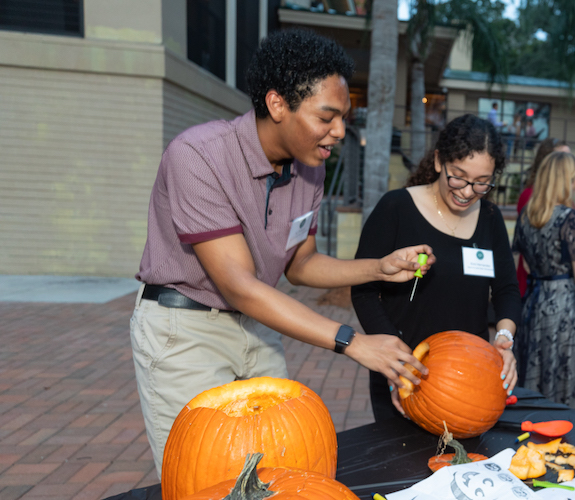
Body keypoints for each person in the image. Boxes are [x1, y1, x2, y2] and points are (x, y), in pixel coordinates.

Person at [131, 30, 433, 476]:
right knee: (204, 477)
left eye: (344, 117)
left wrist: (378, 268)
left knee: (282, 468)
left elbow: (301, 263)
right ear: (277, 104)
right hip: (185, 332)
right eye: (327, 116)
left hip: (255, 327)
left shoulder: (309, 166)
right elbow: (239, 285)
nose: (340, 131)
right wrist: (352, 342)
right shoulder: (197, 155)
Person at [351, 114, 520, 421]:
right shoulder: (396, 208)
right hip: (406, 373)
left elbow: (507, 288)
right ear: (440, 161)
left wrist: (504, 338)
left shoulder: (491, 218)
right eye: (459, 176)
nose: (468, 191)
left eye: (482, 183)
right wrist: (395, 358)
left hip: (472, 376)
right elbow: (363, 292)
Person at [512, 151, 575, 412]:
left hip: (534, 301)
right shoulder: (568, 218)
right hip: (562, 303)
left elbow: (524, 264)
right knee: (567, 370)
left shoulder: (526, 216)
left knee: (534, 366)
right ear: (567, 181)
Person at [515, 137, 571, 296]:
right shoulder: (530, 196)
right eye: (561, 157)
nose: (568, 162)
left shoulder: (565, 197)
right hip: (536, 284)